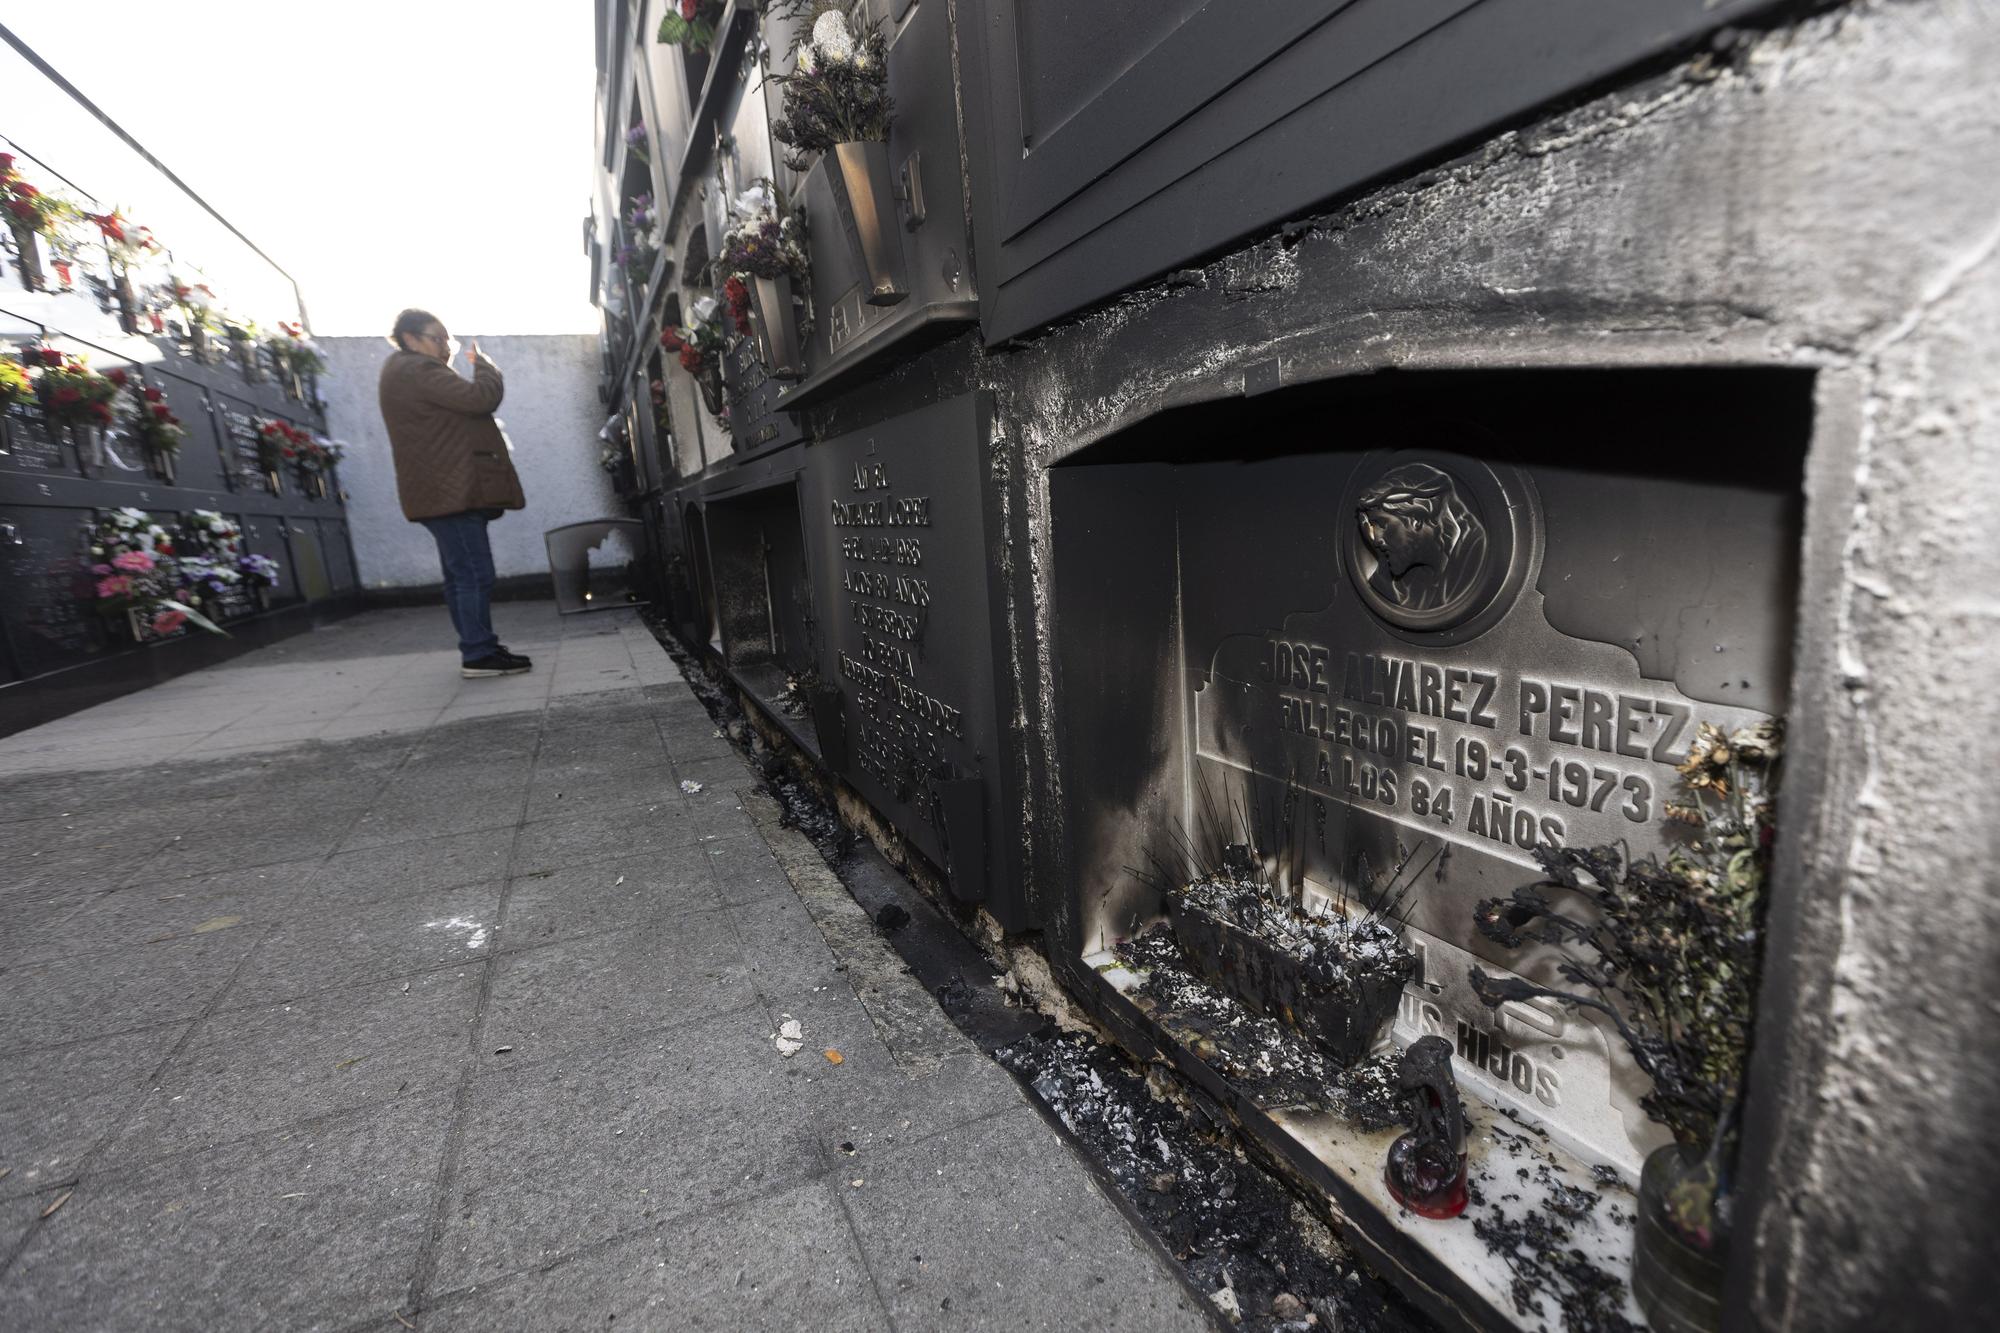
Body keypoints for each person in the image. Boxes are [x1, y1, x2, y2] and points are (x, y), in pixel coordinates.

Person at [378, 308, 532, 677]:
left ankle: (479, 647)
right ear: (410, 338)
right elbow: (480, 397)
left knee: (460, 574)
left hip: (440, 492)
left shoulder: (402, 371)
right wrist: (485, 365)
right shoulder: (417, 368)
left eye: (449, 340)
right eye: (438, 338)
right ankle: (479, 654)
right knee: (475, 574)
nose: (446, 346)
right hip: (451, 494)